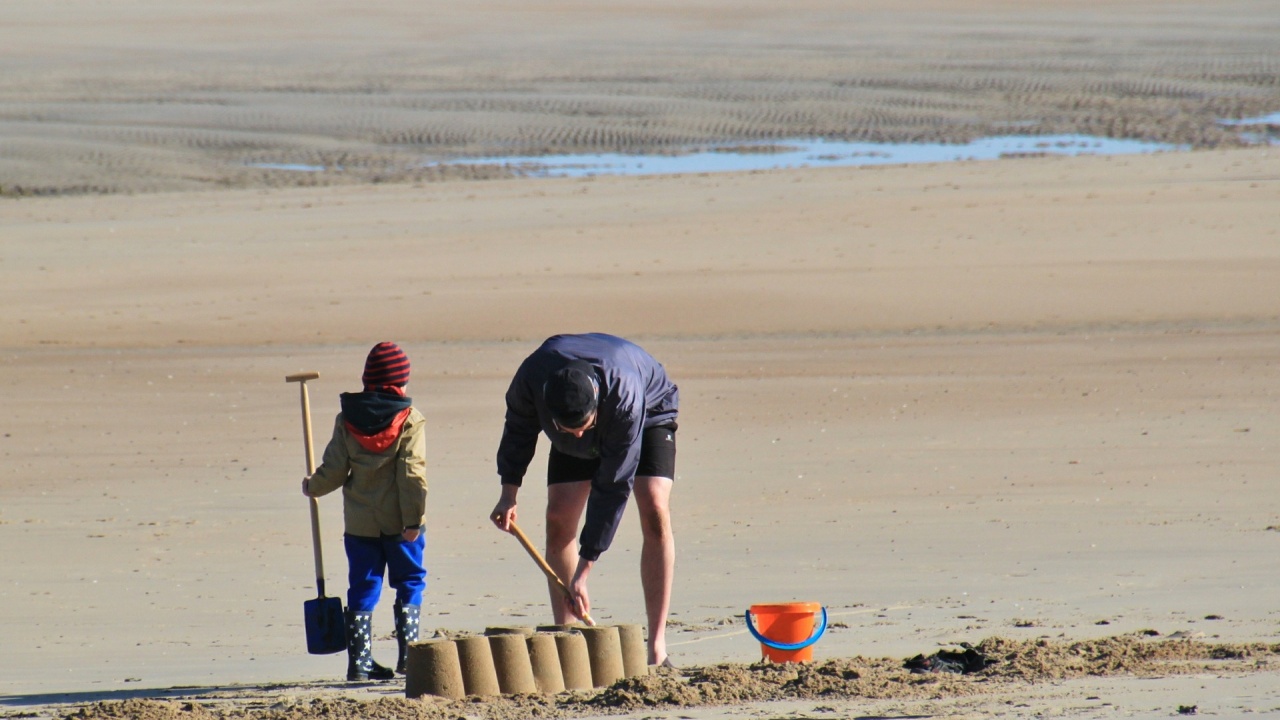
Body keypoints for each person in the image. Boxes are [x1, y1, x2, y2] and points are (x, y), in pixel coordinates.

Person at [489, 333, 679, 667]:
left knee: (654, 509)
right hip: (577, 406)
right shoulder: (532, 377)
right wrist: (508, 493)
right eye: (567, 429)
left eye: (583, 427)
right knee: (558, 518)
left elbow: (614, 485)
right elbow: (518, 427)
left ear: (596, 407)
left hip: (649, 412)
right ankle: (570, 642)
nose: (578, 435)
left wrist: (584, 569)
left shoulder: (624, 397)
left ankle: (657, 647)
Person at [302, 342, 428, 681]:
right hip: (402, 523)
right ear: (399, 383)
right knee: (410, 581)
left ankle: (359, 663)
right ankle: (410, 657)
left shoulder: (347, 419)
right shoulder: (409, 421)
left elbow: (334, 469)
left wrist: (312, 486)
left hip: (360, 524)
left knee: (363, 584)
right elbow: (412, 474)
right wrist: (414, 519)